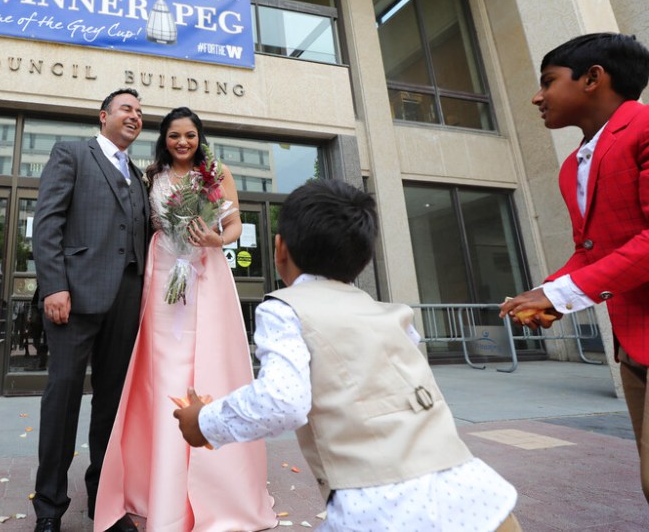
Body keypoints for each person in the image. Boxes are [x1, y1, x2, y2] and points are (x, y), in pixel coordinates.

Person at [174, 179, 521, 531]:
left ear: (280, 249)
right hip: (479, 498)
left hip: (381, 510)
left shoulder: (285, 310)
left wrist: (204, 421)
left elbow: (283, 402)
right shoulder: (393, 314)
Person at [95, 107, 276, 532]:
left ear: (199, 137)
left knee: (207, 365)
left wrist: (216, 239)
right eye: (175, 135)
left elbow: (233, 224)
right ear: (164, 139)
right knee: (161, 371)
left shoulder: (215, 173)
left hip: (205, 271)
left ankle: (216, 483)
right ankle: (156, 479)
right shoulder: (150, 174)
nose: (182, 142)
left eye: (190, 135)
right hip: (162, 274)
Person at [499, 32, 649, 503]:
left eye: (548, 81)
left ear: (593, 78)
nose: (537, 96)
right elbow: (593, 251)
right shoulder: (572, 167)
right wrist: (545, 297)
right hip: (633, 345)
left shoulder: (645, 130)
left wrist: (563, 294)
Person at [31, 88, 150, 532]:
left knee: (111, 407)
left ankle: (104, 501)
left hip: (126, 303)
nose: (135, 116)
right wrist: (54, 285)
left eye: (139, 112)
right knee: (62, 400)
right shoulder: (72, 154)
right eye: (126, 109)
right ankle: (49, 508)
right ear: (104, 116)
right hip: (74, 299)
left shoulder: (138, 175)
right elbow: (48, 223)